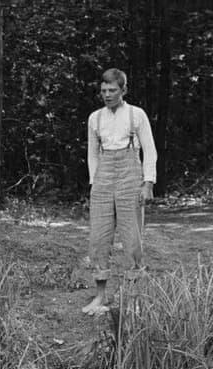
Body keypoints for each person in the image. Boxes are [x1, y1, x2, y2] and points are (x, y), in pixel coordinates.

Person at [83, 68, 157, 316]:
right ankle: (100, 295)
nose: (107, 95)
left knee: (132, 237)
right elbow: (92, 153)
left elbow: (150, 150)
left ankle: (133, 298)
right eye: (104, 90)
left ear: (123, 90)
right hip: (103, 178)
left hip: (130, 176)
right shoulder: (95, 118)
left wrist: (148, 183)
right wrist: (95, 183)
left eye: (112, 90)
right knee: (98, 237)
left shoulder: (137, 115)